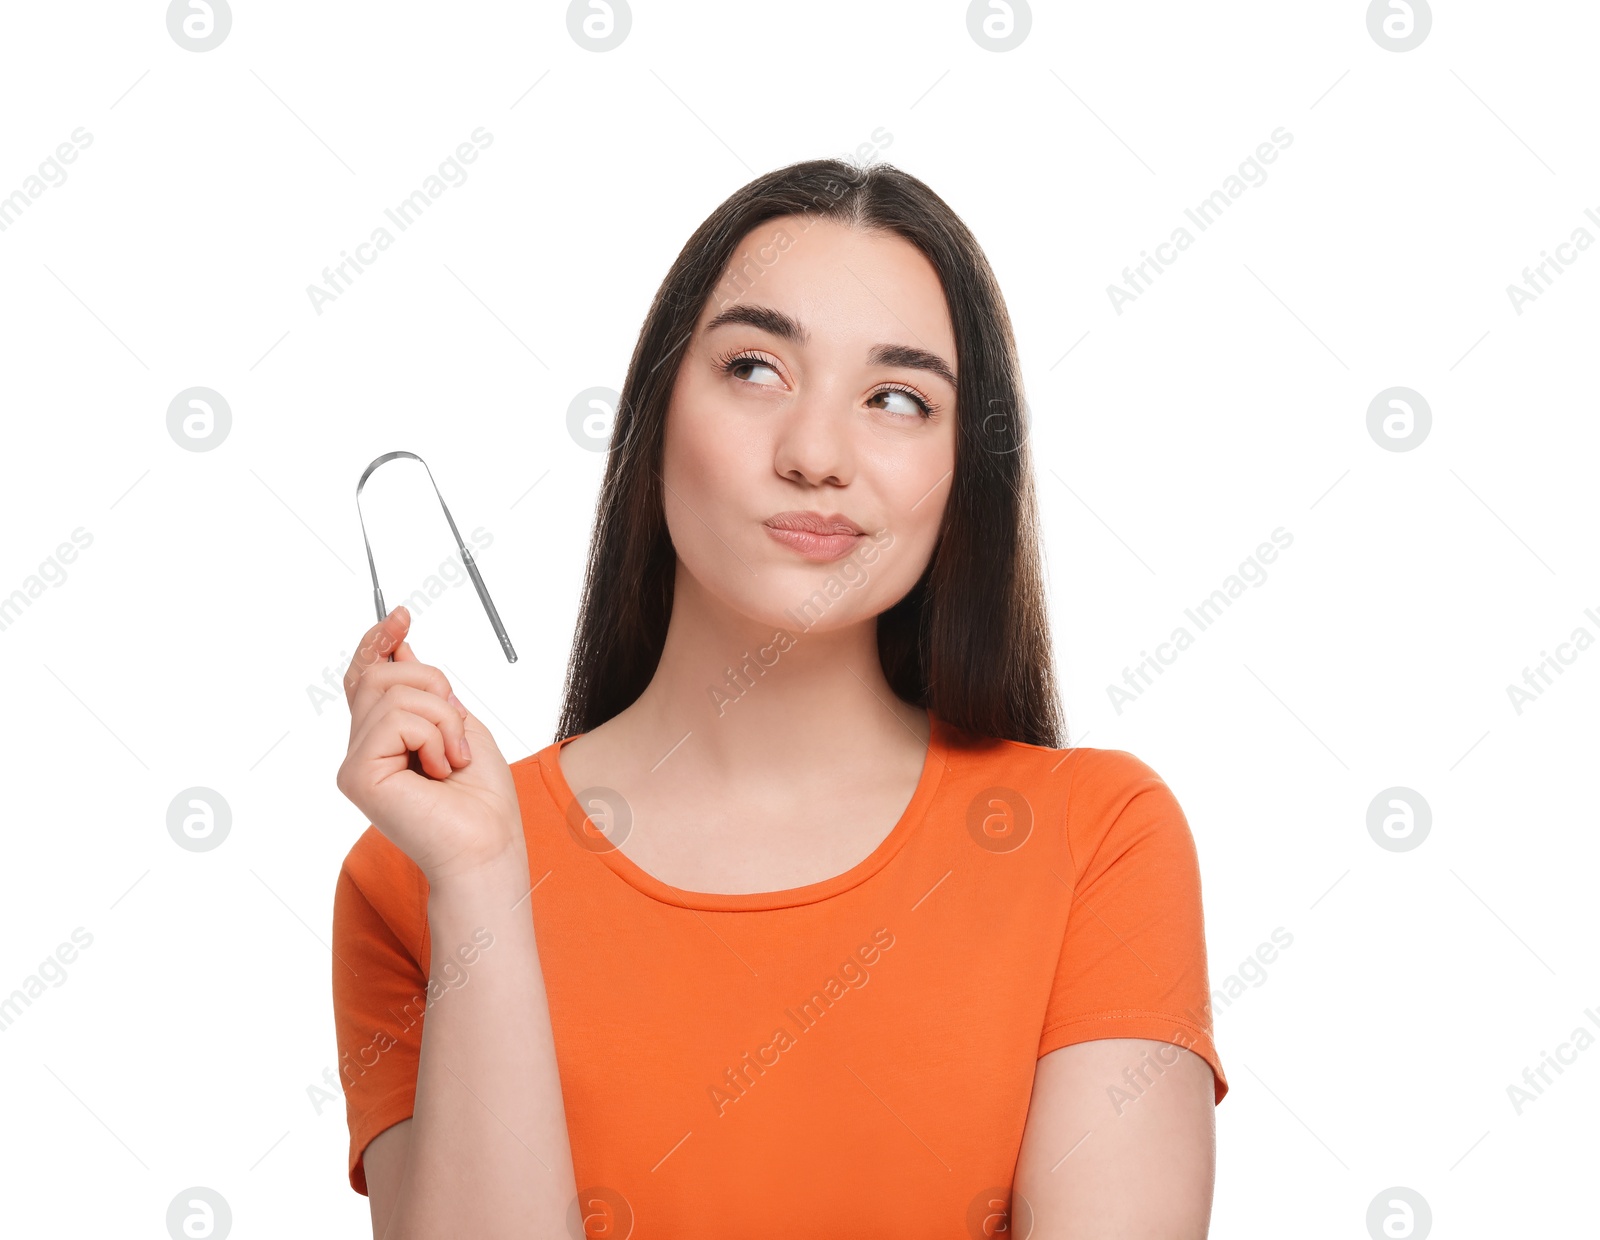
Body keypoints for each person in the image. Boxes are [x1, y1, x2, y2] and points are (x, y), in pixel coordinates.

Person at [331, 157, 1228, 1239]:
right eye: (755, 369)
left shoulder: (1097, 838)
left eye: (898, 399)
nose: (815, 455)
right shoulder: (415, 875)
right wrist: (480, 881)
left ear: (964, 470)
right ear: (658, 413)